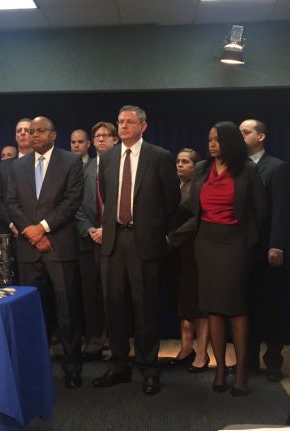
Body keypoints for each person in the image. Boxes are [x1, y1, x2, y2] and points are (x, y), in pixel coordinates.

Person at [93, 105, 179, 396]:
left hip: (145, 242)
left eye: (130, 122)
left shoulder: (159, 156)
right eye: (120, 122)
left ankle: (149, 368)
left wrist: (155, 230)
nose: (124, 126)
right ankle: (119, 365)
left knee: (146, 309)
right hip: (114, 241)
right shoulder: (107, 158)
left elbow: (172, 200)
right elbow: (104, 197)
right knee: (114, 306)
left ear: (144, 126)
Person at [186, 121, 266, 396]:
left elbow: (260, 209)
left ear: (230, 142)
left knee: (237, 307)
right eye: (209, 139)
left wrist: (246, 240)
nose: (211, 144)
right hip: (205, 242)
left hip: (235, 242)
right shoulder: (200, 169)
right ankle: (220, 368)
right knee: (213, 308)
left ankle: (241, 372)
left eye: (217, 140)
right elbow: (192, 207)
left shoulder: (247, 169)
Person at [5, 116, 85, 388]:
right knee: (32, 311)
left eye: (40, 131)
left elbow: (72, 201)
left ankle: (73, 367)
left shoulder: (70, 162)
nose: (34, 135)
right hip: (29, 248)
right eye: (30, 131)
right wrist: (32, 231)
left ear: (53, 135)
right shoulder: (18, 165)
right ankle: (32, 367)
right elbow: (12, 203)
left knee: (67, 311)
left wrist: (43, 227)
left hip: (59, 247)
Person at [240, 119, 288, 382]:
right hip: (242, 249)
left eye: (245, 132)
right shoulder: (237, 168)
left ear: (261, 136)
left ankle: (273, 362)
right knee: (246, 306)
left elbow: (281, 209)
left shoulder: (277, 167)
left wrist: (277, 244)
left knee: (271, 306)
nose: (241, 136)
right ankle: (248, 360)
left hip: (267, 248)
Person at [74, 121, 118, 362]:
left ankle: (116, 340)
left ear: (115, 141)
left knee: (114, 294)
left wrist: (107, 230)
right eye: (97, 136)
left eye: (105, 136)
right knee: (91, 294)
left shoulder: (123, 167)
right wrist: (91, 229)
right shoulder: (84, 169)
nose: (101, 139)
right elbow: (76, 205)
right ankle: (94, 342)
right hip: (89, 241)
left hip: (116, 241)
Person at [166, 148, 210, 372]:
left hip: (192, 250)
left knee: (197, 304)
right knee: (183, 303)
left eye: (185, 162)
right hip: (174, 253)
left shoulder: (200, 187)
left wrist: (172, 238)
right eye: (178, 161)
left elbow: (197, 218)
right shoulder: (173, 186)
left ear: (196, 166)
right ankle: (185, 349)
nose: (180, 165)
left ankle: (202, 354)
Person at [0, 118, 33, 235]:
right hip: (11, 232)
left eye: (27, 130)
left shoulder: (43, 163)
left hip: (40, 231)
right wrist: (12, 223)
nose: (22, 133)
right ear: (16, 137)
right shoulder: (3, 166)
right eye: (19, 131)